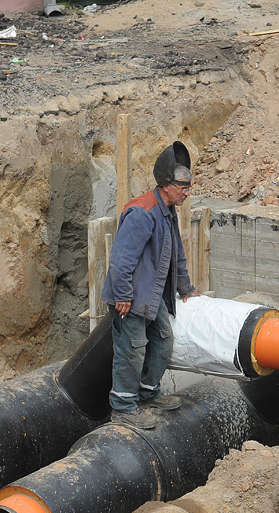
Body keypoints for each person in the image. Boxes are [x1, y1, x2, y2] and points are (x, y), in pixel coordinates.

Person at [102, 141, 201, 429]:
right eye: (183, 187)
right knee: (133, 349)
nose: (186, 193)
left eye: (188, 187)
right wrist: (122, 294)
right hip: (130, 296)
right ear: (166, 185)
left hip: (151, 294)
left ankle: (148, 392)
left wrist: (185, 288)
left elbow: (176, 254)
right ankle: (122, 406)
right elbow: (121, 260)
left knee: (163, 340)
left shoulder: (168, 212)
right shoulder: (142, 212)